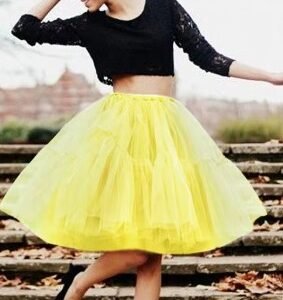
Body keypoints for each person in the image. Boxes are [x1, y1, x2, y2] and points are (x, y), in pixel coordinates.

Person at [1, 0, 282, 299]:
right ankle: (79, 282)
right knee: (137, 252)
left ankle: (79, 282)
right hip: (121, 136)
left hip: (165, 134)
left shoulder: (164, 8)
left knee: (152, 257)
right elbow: (24, 28)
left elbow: (207, 56)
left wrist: (271, 76)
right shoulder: (89, 25)